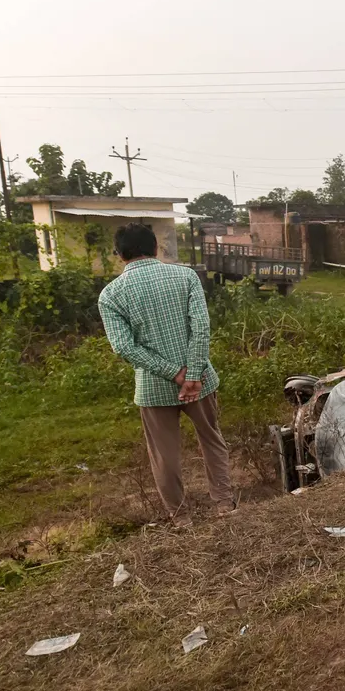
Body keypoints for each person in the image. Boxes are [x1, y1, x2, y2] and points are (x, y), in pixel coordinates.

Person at [98, 224, 234, 526]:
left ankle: (181, 517)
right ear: (157, 247)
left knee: (164, 455)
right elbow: (200, 327)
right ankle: (224, 505)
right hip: (201, 382)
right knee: (211, 439)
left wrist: (175, 374)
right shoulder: (185, 276)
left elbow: (123, 347)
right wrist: (193, 374)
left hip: (153, 387)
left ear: (119, 255)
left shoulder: (110, 295)